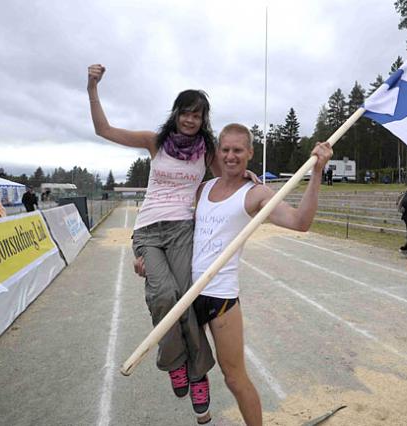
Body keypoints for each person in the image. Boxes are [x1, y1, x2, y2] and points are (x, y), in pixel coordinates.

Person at [136, 124, 332, 425]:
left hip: (220, 298)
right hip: (188, 290)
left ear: (250, 153)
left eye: (238, 150)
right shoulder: (202, 188)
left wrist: (317, 172)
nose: (230, 156)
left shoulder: (255, 194)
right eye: (225, 149)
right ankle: (195, 388)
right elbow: (170, 229)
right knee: (181, 348)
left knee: (234, 378)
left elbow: (300, 222)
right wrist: (144, 259)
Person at [87, 63, 234, 422]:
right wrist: (92, 88)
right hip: (149, 231)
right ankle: (175, 363)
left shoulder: (207, 149)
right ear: (176, 113)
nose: (190, 120)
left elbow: (226, 178)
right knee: (163, 296)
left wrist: (246, 176)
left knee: (186, 300)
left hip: (184, 228)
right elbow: (103, 129)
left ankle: (198, 376)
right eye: (185, 113)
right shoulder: (156, 141)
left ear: (203, 120)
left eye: (197, 115)